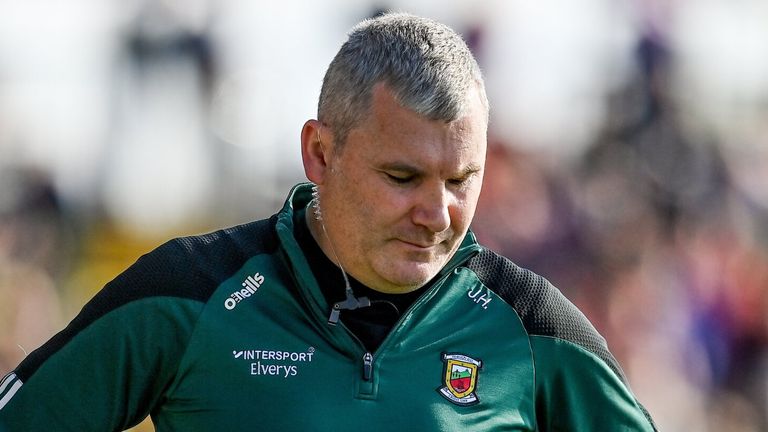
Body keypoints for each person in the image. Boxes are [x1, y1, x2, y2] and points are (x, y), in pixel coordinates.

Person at [0, 12, 657, 431]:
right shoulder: (190, 294)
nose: (437, 214)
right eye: (402, 178)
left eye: (462, 181)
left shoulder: (530, 323)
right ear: (319, 152)